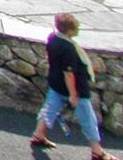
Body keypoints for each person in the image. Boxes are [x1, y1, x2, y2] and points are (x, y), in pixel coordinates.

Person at [32, 12, 110, 158]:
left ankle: (38, 135)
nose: (78, 30)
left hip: (56, 83)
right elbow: (69, 74)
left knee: (49, 109)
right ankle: (97, 151)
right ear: (70, 30)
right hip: (75, 90)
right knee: (88, 119)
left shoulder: (52, 38)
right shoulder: (68, 48)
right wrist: (73, 95)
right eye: (76, 28)